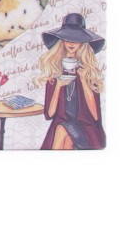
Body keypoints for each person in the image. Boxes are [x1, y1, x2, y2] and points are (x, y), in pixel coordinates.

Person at [35, 13, 105, 150]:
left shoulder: (88, 72)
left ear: (83, 43)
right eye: (67, 38)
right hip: (61, 125)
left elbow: (95, 116)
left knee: (62, 132)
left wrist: (84, 80)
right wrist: (58, 86)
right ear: (62, 41)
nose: (71, 43)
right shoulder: (55, 72)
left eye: (76, 39)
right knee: (62, 130)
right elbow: (49, 114)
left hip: (86, 128)